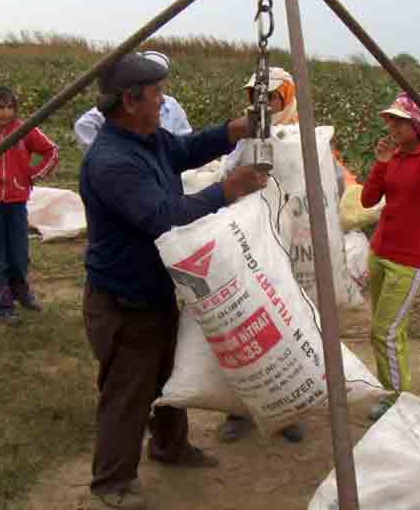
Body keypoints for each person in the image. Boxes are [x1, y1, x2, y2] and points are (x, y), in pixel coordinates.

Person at [80, 52, 274, 510]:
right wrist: (229, 189)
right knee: (129, 390)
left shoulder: (146, 138)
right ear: (130, 100)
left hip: (152, 289)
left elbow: (184, 149)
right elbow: (166, 218)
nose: (162, 100)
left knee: (168, 376)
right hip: (121, 300)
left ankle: (170, 447)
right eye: (156, 94)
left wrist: (232, 132)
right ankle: (110, 483)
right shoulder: (112, 162)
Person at [218, 66, 307, 444]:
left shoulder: (303, 139)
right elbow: (226, 178)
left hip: (284, 248)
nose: (261, 106)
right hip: (246, 246)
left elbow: (326, 185)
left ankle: (286, 410)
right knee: (243, 327)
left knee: (286, 327)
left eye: (268, 98)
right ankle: (238, 410)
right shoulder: (242, 142)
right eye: (254, 98)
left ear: (284, 99)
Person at [361, 92, 420, 421]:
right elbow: (367, 199)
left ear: (418, 125)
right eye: (391, 121)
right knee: (391, 330)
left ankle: (396, 399)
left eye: (400, 122)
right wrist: (381, 163)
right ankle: (394, 388)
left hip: (409, 261)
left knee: (383, 331)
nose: (393, 128)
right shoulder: (395, 156)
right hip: (381, 252)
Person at [0, 87, 58, 326]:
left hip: (16, 202)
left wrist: (34, 175)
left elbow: (51, 150)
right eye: (0, 107)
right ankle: (2, 306)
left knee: (18, 254)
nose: (6, 113)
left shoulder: (25, 130)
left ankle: (21, 292)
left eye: (10, 107)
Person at [74, 51, 192, 151]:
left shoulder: (171, 104)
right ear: (130, 101)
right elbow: (83, 125)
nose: (161, 101)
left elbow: (185, 139)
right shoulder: (117, 107)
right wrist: (101, 150)